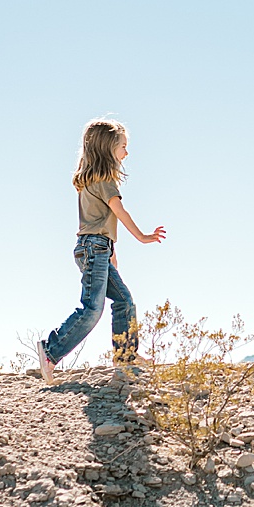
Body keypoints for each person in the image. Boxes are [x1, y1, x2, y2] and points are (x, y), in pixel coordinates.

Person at [36, 120, 165, 381]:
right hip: (95, 248)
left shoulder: (90, 180)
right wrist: (142, 236)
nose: (126, 153)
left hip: (95, 248)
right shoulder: (105, 181)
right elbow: (119, 212)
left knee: (124, 300)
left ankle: (125, 356)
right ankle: (51, 352)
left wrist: (111, 253)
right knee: (92, 309)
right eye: (123, 147)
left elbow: (98, 222)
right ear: (108, 148)